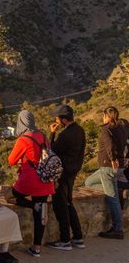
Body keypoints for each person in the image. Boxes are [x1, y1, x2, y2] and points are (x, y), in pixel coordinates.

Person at [8, 110, 54, 257]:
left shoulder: (23, 139)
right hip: (45, 179)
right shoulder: (43, 135)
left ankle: (32, 205)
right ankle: (37, 247)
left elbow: (11, 160)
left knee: (13, 194)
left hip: (30, 179)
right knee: (41, 214)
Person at [47, 104, 87, 250]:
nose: (56, 120)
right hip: (73, 172)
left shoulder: (65, 135)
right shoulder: (80, 131)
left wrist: (52, 133)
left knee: (60, 206)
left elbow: (51, 151)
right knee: (69, 203)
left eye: (57, 118)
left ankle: (65, 240)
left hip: (62, 175)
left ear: (63, 120)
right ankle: (78, 237)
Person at [84, 107, 127, 239]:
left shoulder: (106, 129)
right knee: (88, 182)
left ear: (106, 116)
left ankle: (118, 229)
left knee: (112, 198)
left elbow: (109, 145)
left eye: (104, 115)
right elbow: (123, 144)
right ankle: (115, 190)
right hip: (117, 165)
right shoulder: (120, 128)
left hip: (108, 165)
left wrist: (113, 159)